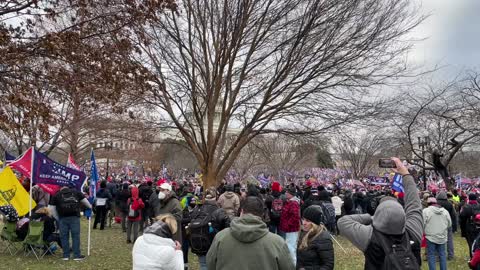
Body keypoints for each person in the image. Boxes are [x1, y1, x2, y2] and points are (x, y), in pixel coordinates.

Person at [338, 157, 423, 269]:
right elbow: (414, 204)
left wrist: (371, 217)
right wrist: (405, 174)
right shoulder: (413, 231)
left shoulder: (368, 237)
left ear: (378, 213)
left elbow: (343, 222)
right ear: (403, 215)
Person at [206, 196, 295, 270]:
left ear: (241, 212)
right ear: (262, 215)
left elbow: (210, 264)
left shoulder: (221, 237)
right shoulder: (277, 243)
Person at [50, 184, 92, 261]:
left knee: (64, 237)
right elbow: (86, 203)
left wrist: (58, 218)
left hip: (62, 218)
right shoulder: (76, 192)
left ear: (61, 187)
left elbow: (52, 209)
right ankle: (76, 255)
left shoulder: (56, 195)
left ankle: (66, 255)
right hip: (74, 217)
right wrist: (90, 207)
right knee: (75, 236)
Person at [189, 192, 230, 270]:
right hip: (214, 243)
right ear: (216, 198)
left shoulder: (197, 209)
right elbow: (227, 226)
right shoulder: (219, 210)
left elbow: (191, 220)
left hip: (200, 243)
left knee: (203, 264)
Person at [297, 205, 334, 270]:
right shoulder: (303, 233)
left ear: (314, 223)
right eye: (303, 219)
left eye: (307, 220)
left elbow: (328, 265)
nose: (304, 223)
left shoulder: (323, 238)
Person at [423, 197, 451, 270]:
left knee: (431, 255)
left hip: (430, 237)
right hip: (442, 236)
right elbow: (449, 224)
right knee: (442, 255)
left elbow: (422, 223)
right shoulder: (445, 211)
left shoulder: (426, 211)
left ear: (428, 203)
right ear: (436, 203)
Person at [280, 186, 301, 265]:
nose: (285, 193)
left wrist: (287, 224)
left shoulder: (293, 203)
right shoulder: (290, 202)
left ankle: (293, 264)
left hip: (291, 229)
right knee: (290, 246)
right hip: (289, 229)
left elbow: (295, 216)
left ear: (291, 194)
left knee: (291, 247)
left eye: (287, 192)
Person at [436, 191, 456, 260]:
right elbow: (453, 215)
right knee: (449, 240)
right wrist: (454, 226)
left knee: (438, 240)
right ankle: (451, 255)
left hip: (438, 224)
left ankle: (439, 256)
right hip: (448, 223)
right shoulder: (449, 204)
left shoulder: (435, 204)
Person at [460, 193, 480, 258]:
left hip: (470, 228)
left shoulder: (466, 207)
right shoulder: (479, 206)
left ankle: (473, 258)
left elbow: (462, 219)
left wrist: (463, 231)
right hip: (478, 227)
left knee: (472, 244)